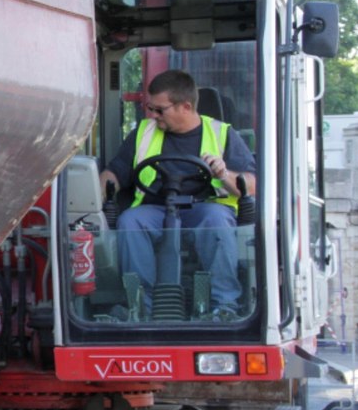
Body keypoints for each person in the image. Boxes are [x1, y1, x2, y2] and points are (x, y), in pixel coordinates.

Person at [100, 70, 255, 319]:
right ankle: (142, 307)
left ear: (185, 106)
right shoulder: (144, 132)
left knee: (217, 219)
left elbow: (250, 185)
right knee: (130, 220)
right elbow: (115, 173)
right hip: (156, 209)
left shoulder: (222, 133)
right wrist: (91, 192)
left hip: (203, 209)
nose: (153, 115)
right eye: (151, 108)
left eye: (160, 110)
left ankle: (224, 306)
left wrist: (223, 173)